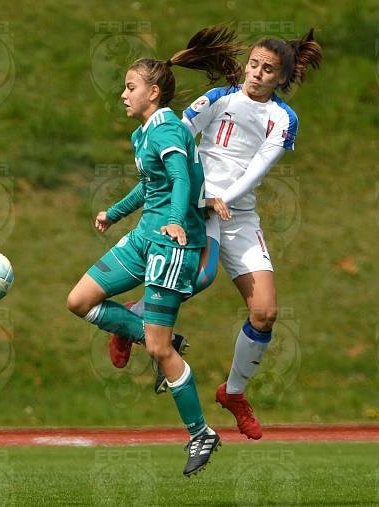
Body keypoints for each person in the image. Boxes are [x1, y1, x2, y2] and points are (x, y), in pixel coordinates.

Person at [112, 30, 322, 440]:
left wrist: (224, 197)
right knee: (200, 277)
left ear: (281, 78)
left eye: (268, 70)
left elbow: (257, 169)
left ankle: (234, 393)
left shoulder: (283, 119)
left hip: (238, 215)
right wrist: (195, 194)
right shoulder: (217, 99)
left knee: (265, 312)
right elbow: (176, 134)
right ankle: (132, 320)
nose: (257, 74)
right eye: (254, 65)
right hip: (199, 208)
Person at [67, 25, 242, 476]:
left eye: (130, 87)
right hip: (146, 237)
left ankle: (200, 432)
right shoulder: (143, 134)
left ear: (154, 91)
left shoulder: (165, 127)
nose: (123, 95)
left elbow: (181, 178)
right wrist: (113, 212)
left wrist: (177, 219)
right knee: (80, 300)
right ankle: (144, 332)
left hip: (171, 243)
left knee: (161, 351)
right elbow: (150, 187)